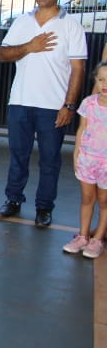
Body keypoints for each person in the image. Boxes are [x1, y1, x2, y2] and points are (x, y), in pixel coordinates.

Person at [0, 0, 87, 227]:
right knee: (18, 156)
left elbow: (78, 69)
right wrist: (30, 46)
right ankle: (13, 200)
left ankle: (44, 207)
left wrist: (69, 105)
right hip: (21, 102)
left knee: (49, 160)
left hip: (53, 106)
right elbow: (4, 54)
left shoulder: (71, 26)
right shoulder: (23, 21)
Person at [63, 61, 107, 258]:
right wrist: (77, 154)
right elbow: (82, 129)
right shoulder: (88, 103)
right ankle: (83, 236)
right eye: (101, 79)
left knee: (105, 201)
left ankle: (97, 239)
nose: (105, 84)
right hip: (88, 160)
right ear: (95, 80)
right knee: (87, 199)